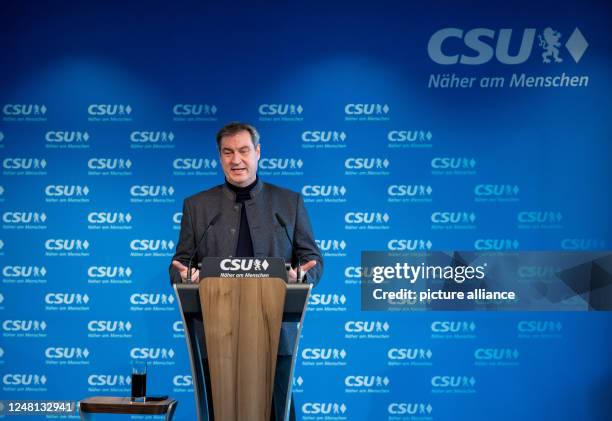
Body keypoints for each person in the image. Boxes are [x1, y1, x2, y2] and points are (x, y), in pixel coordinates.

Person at [169, 122, 323, 421]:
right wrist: (186, 277)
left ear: (258, 152)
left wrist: (299, 277)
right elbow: (178, 265)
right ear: (219, 156)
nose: (236, 160)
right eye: (227, 152)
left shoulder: (288, 203)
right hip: (216, 335)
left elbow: (313, 259)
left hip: (275, 332)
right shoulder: (197, 206)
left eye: (243, 151)